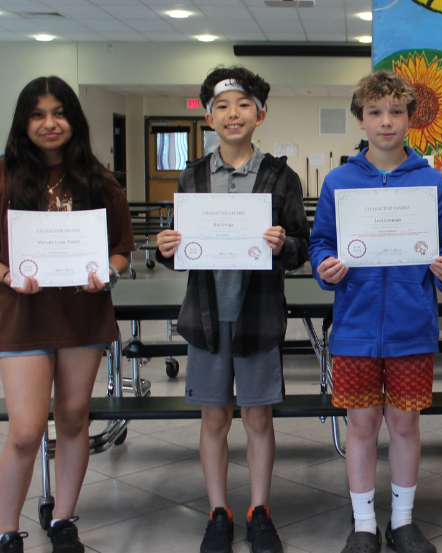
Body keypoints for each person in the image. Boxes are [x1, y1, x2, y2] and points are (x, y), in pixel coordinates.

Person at [155, 66, 309, 553]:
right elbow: (186, 252)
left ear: (259, 114)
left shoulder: (280, 176)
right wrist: (167, 247)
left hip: (258, 315)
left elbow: (301, 249)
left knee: (258, 419)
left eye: (243, 104)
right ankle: (218, 511)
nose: (232, 113)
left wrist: (283, 243)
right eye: (221, 106)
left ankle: (259, 510)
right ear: (208, 116)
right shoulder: (193, 175)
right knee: (214, 419)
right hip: (205, 318)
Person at [310, 70, 442, 553]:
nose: (386, 122)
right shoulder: (339, 181)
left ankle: (401, 520)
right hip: (354, 329)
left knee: (404, 424)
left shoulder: (432, 183)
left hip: (411, 328)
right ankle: (363, 524)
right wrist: (324, 267)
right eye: (375, 112)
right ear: (360, 118)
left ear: (410, 119)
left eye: (396, 112)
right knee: (360, 425)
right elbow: (320, 244)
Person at [0, 76, 136, 553]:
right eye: (38, 114)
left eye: (58, 113)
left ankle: (63, 521)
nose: (49, 123)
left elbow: (121, 249)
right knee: (25, 430)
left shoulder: (100, 180)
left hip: (83, 312)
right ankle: (6, 531)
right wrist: (6, 273)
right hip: (23, 314)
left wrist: (109, 274)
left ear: (74, 120)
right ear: (24, 122)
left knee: (75, 417)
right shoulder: (3, 175)